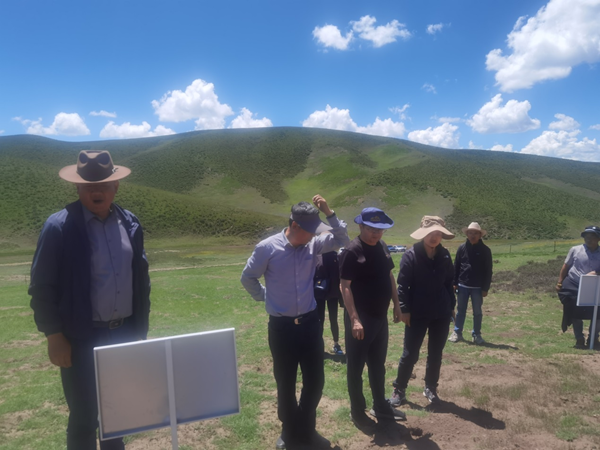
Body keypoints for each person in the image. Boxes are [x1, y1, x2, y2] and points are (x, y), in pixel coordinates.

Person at [29, 150, 151, 450]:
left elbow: (141, 280)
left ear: (115, 186)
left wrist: (139, 331)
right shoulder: (59, 227)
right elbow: (41, 287)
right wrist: (54, 336)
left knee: (117, 415)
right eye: (88, 186)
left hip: (124, 334)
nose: (97, 191)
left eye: (103, 185)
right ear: (78, 188)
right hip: (80, 338)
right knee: (84, 418)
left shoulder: (131, 223)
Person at [240, 195, 349, 450]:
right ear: (294, 225)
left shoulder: (314, 244)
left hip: (310, 324)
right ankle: (289, 431)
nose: (314, 236)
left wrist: (329, 213)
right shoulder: (267, 248)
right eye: (310, 231)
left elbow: (343, 240)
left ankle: (307, 430)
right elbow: (248, 277)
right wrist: (267, 297)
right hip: (282, 329)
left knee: (315, 381)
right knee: (285, 382)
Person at [339, 207, 405, 432]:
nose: (376, 233)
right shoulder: (352, 251)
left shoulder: (382, 246)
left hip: (380, 317)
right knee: (356, 368)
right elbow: (344, 286)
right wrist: (354, 319)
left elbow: (389, 276)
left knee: (378, 365)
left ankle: (381, 406)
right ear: (360, 226)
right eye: (371, 229)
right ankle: (358, 412)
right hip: (360, 320)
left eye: (380, 229)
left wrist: (397, 304)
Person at [390, 216, 455, 406]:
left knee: (436, 353)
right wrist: (404, 310)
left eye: (438, 233)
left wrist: (451, 306)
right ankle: (399, 390)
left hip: (441, 312)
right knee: (410, 353)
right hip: (417, 313)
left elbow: (449, 283)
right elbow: (403, 286)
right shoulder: (410, 255)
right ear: (423, 234)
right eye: (430, 233)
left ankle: (430, 387)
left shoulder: (444, 255)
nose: (434, 237)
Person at [449, 222, 493, 345]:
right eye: (470, 233)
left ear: (480, 235)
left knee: (477, 312)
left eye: (475, 233)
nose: (472, 235)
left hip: (478, 288)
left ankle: (476, 335)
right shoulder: (462, 248)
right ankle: (457, 332)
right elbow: (456, 266)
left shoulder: (485, 250)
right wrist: (454, 283)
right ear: (467, 234)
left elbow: (488, 270)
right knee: (460, 311)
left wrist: (485, 288)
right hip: (462, 285)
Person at [556, 226, 600, 349]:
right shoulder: (575, 250)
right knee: (575, 311)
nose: (589, 239)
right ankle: (579, 339)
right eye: (586, 236)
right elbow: (566, 266)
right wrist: (559, 282)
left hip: (595, 286)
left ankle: (593, 338)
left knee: (598, 313)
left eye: (592, 237)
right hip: (574, 284)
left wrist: (596, 273)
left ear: (598, 238)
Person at [314, 251, 344, 355]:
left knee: (333, 319)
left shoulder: (336, 257)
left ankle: (336, 343)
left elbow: (340, 276)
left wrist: (341, 297)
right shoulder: (317, 256)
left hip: (332, 293)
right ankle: (319, 345)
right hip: (320, 293)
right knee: (320, 320)